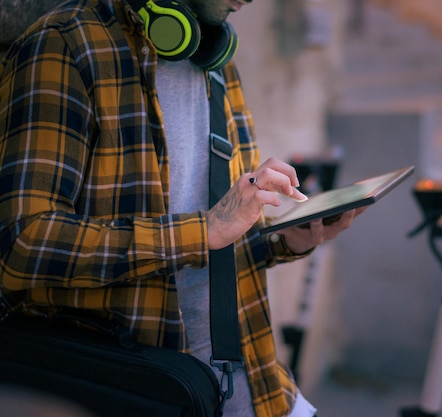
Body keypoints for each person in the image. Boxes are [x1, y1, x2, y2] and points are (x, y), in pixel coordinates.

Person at [0, 0, 362, 416]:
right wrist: (203, 231)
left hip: (254, 382)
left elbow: (216, 239)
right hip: (140, 388)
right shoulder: (65, 45)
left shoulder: (216, 60)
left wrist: (284, 238)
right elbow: (21, 244)